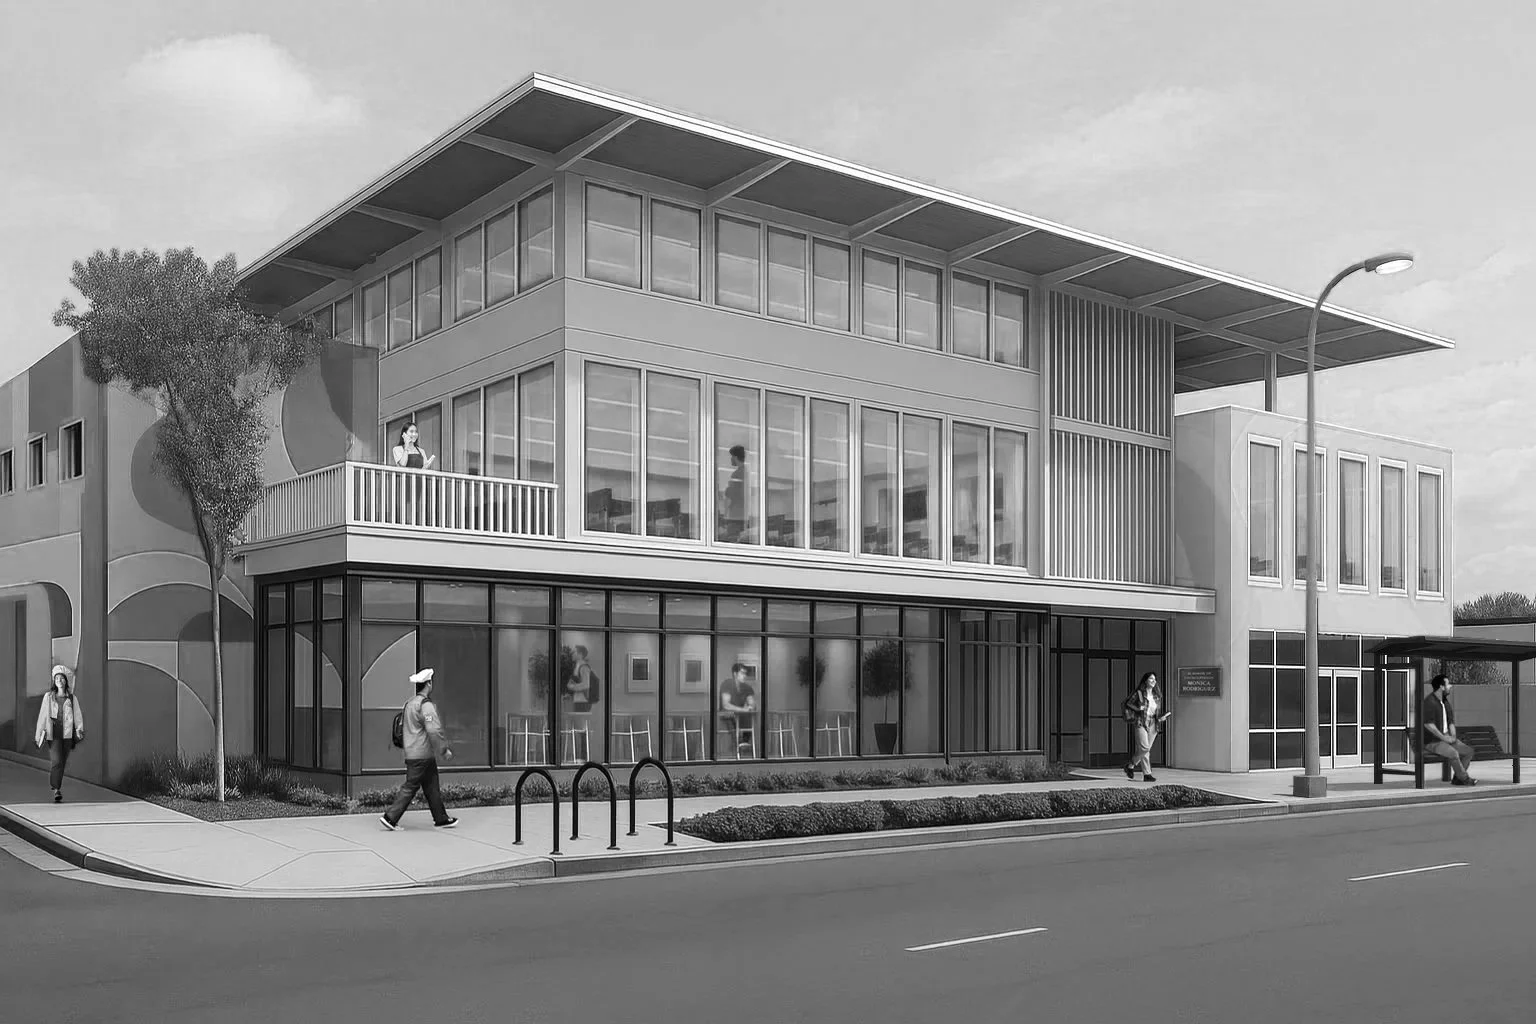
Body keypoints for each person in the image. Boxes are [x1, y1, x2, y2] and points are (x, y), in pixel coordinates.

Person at [380, 668, 458, 831]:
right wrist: (444, 749)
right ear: (429, 684)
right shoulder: (425, 705)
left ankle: (441, 818)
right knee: (410, 786)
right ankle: (390, 817)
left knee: (432, 786)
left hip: (413, 753)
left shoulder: (409, 704)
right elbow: (434, 730)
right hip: (422, 754)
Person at [34, 665, 84, 803]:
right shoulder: (49, 697)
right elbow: (43, 716)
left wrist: (79, 729)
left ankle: (56, 786)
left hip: (67, 735)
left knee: (62, 762)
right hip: (53, 734)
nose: (59, 681)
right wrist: (38, 735)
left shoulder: (72, 699)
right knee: (56, 761)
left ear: (65, 681)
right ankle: (56, 788)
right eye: (57, 678)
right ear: (54, 681)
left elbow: (77, 715)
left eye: (61, 678)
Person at [1423, 674, 1476, 785]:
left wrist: (1453, 737)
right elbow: (1428, 725)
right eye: (1448, 684)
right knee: (1453, 754)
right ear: (1441, 687)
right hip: (1433, 741)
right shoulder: (1429, 702)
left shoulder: (1445, 702)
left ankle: (1458, 778)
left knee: (1468, 752)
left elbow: (1451, 721)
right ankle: (1465, 779)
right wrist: (1444, 738)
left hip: (1446, 737)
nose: (1450, 686)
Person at [1122, 671, 1170, 783]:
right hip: (1141, 722)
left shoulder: (1157, 696)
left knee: (1146, 750)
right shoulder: (1139, 693)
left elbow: (1157, 711)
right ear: (1145, 681)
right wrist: (1138, 709)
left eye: (1154, 679)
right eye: (1151, 679)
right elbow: (1128, 703)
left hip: (1154, 723)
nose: (1154, 681)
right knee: (1145, 748)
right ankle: (1146, 773)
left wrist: (1161, 718)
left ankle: (1131, 766)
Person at [718, 661, 757, 758]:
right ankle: (735, 750)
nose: (745, 676)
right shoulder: (727, 684)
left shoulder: (747, 687)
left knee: (748, 719)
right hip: (727, 716)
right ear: (735, 674)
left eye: (745, 673)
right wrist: (743, 709)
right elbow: (726, 705)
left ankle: (743, 747)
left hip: (741, 717)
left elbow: (752, 703)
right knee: (733, 720)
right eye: (742, 673)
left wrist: (750, 706)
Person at [719, 444, 748, 542]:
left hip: (736, 515)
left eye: (731, 457)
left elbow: (732, 493)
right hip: (740, 514)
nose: (731, 459)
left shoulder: (738, 473)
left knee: (731, 539)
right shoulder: (745, 472)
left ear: (735, 457)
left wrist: (727, 491)